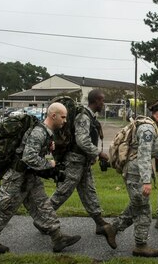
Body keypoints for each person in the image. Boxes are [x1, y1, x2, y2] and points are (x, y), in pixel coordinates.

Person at [0, 102, 81, 254]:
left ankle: (57, 237)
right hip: (17, 177)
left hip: (29, 176)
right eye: (63, 117)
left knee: (42, 205)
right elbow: (29, 157)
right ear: (53, 116)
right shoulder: (39, 132)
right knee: (5, 207)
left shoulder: (45, 132)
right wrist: (49, 165)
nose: (65, 121)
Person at [102, 101, 158, 257]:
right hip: (136, 174)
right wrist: (146, 181)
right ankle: (140, 245)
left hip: (136, 172)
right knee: (144, 209)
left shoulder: (151, 126)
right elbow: (144, 155)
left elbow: (149, 150)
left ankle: (112, 229)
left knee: (136, 204)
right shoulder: (147, 128)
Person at [43, 89, 110, 234]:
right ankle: (42, 219)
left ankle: (100, 223)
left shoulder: (91, 117)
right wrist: (99, 153)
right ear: (96, 101)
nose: (103, 104)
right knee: (63, 192)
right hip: (74, 161)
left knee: (89, 192)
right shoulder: (84, 117)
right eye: (102, 100)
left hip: (83, 161)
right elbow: (82, 140)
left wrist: (92, 157)